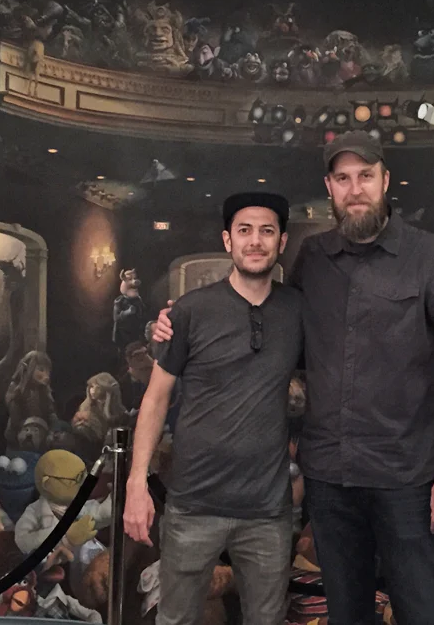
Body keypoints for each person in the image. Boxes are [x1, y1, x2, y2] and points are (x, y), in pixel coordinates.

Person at [151, 130, 434, 624]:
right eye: (342, 178)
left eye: (365, 175)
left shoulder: (430, 255)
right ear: (329, 187)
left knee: (423, 613)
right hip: (330, 478)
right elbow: (271, 321)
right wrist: (175, 322)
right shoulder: (313, 256)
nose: (355, 189)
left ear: (385, 180)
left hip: (407, 477)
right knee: (344, 614)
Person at [124, 192, 302, 625]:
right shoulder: (189, 311)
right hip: (193, 505)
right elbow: (156, 398)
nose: (255, 241)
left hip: (267, 512)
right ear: (227, 240)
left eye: (267, 231)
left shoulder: (299, 311)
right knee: (176, 620)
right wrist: (136, 482)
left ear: (281, 242)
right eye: (244, 230)